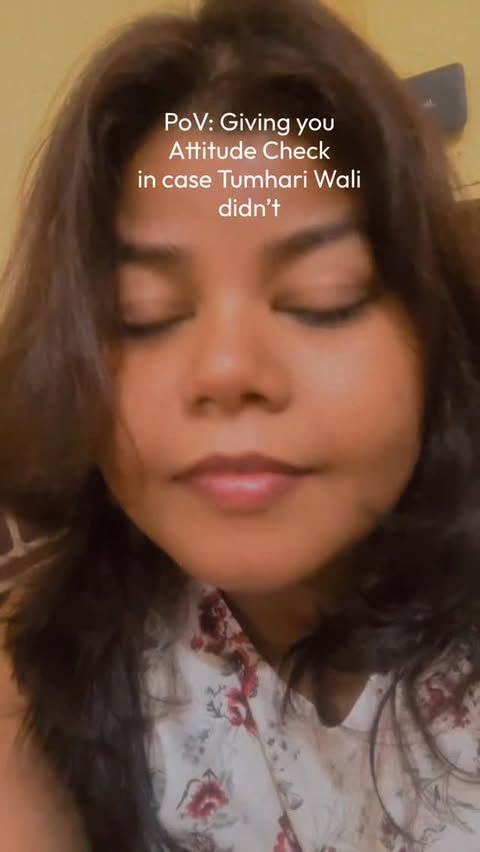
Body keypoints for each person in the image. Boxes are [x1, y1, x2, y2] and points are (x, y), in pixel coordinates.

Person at [1, 0, 480, 849]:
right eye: (143, 314)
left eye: (322, 296)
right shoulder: (63, 673)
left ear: (436, 335)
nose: (226, 369)